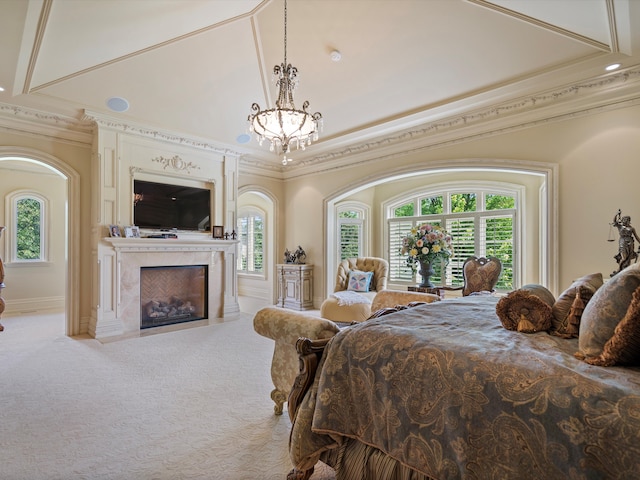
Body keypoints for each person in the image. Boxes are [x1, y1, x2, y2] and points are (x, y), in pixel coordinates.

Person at [612, 209, 640, 276]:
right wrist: (617, 214)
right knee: (624, 257)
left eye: (627, 220)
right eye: (624, 219)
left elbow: (636, 237)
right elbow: (614, 221)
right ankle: (618, 270)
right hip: (623, 241)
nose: (625, 221)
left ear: (629, 221)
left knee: (629, 258)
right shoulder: (620, 226)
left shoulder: (632, 228)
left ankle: (626, 271)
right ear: (622, 220)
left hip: (630, 242)